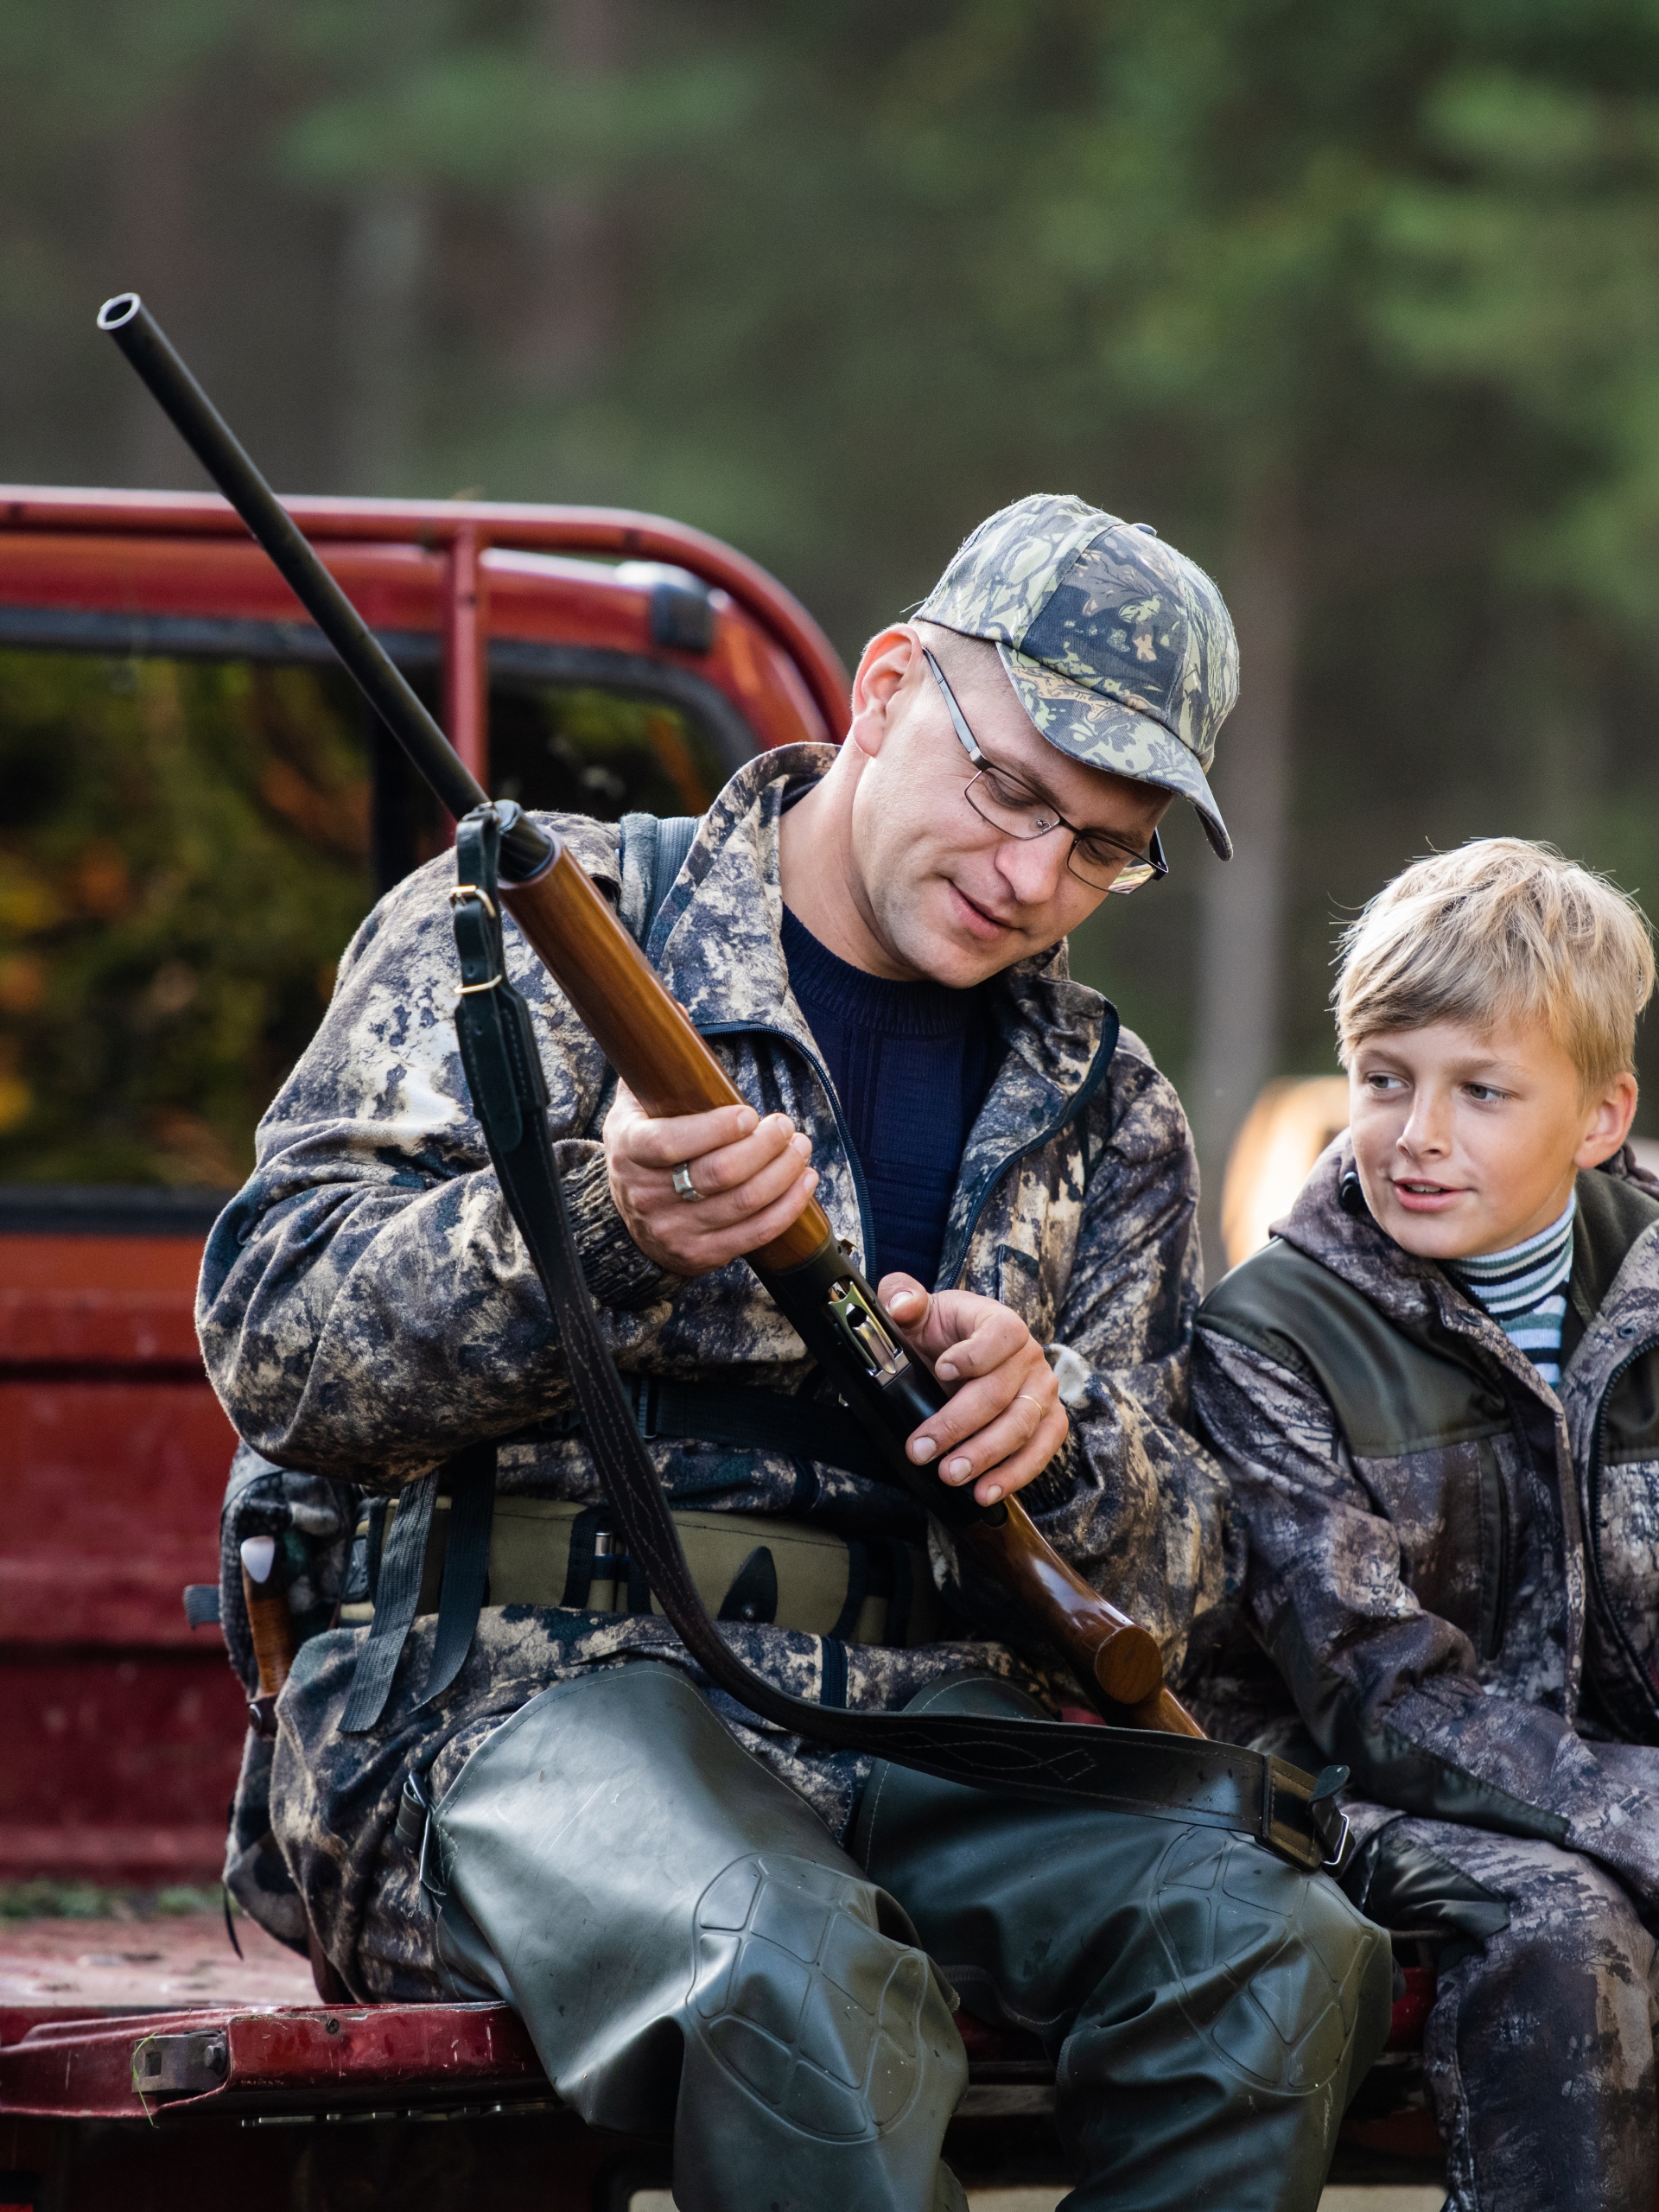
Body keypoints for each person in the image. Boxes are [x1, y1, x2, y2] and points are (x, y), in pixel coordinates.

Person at [200, 493, 1389, 2212]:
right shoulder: (522, 939)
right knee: (791, 1968)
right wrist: (591, 1227)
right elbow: (274, 1334)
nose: (1032, 878)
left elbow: (1195, 1562)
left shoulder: (1109, 1103)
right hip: (510, 1702)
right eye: (1012, 793)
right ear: (889, 684)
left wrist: (1058, 1436)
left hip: (928, 1727)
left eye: (1103, 847)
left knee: (1279, 1950)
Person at [1192, 837, 1659, 2212]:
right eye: (1385, 1080)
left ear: (1599, 1116)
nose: (1419, 1135)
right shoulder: (1271, 1336)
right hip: (1341, 1792)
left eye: (1482, 1091)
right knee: (1564, 1928)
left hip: (1611, 1794)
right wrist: (1639, 1813)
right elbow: (1372, 1695)